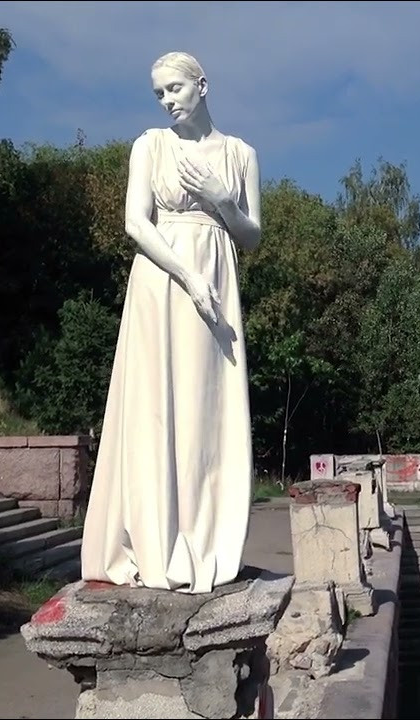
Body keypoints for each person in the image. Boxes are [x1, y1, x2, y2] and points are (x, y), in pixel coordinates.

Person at [79, 51, 262, 594]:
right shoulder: (150, 145)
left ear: (202, 85)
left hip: (218, 278)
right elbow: (136, 222)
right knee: (158, 405)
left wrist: (223, 201)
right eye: (159, 93)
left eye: (175, 89)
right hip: (164, 280)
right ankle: (159, 538)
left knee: (207, 407)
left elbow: (250, 236)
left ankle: (205, 536)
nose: (167, 100)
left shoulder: (241, 153)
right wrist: (187, 274)